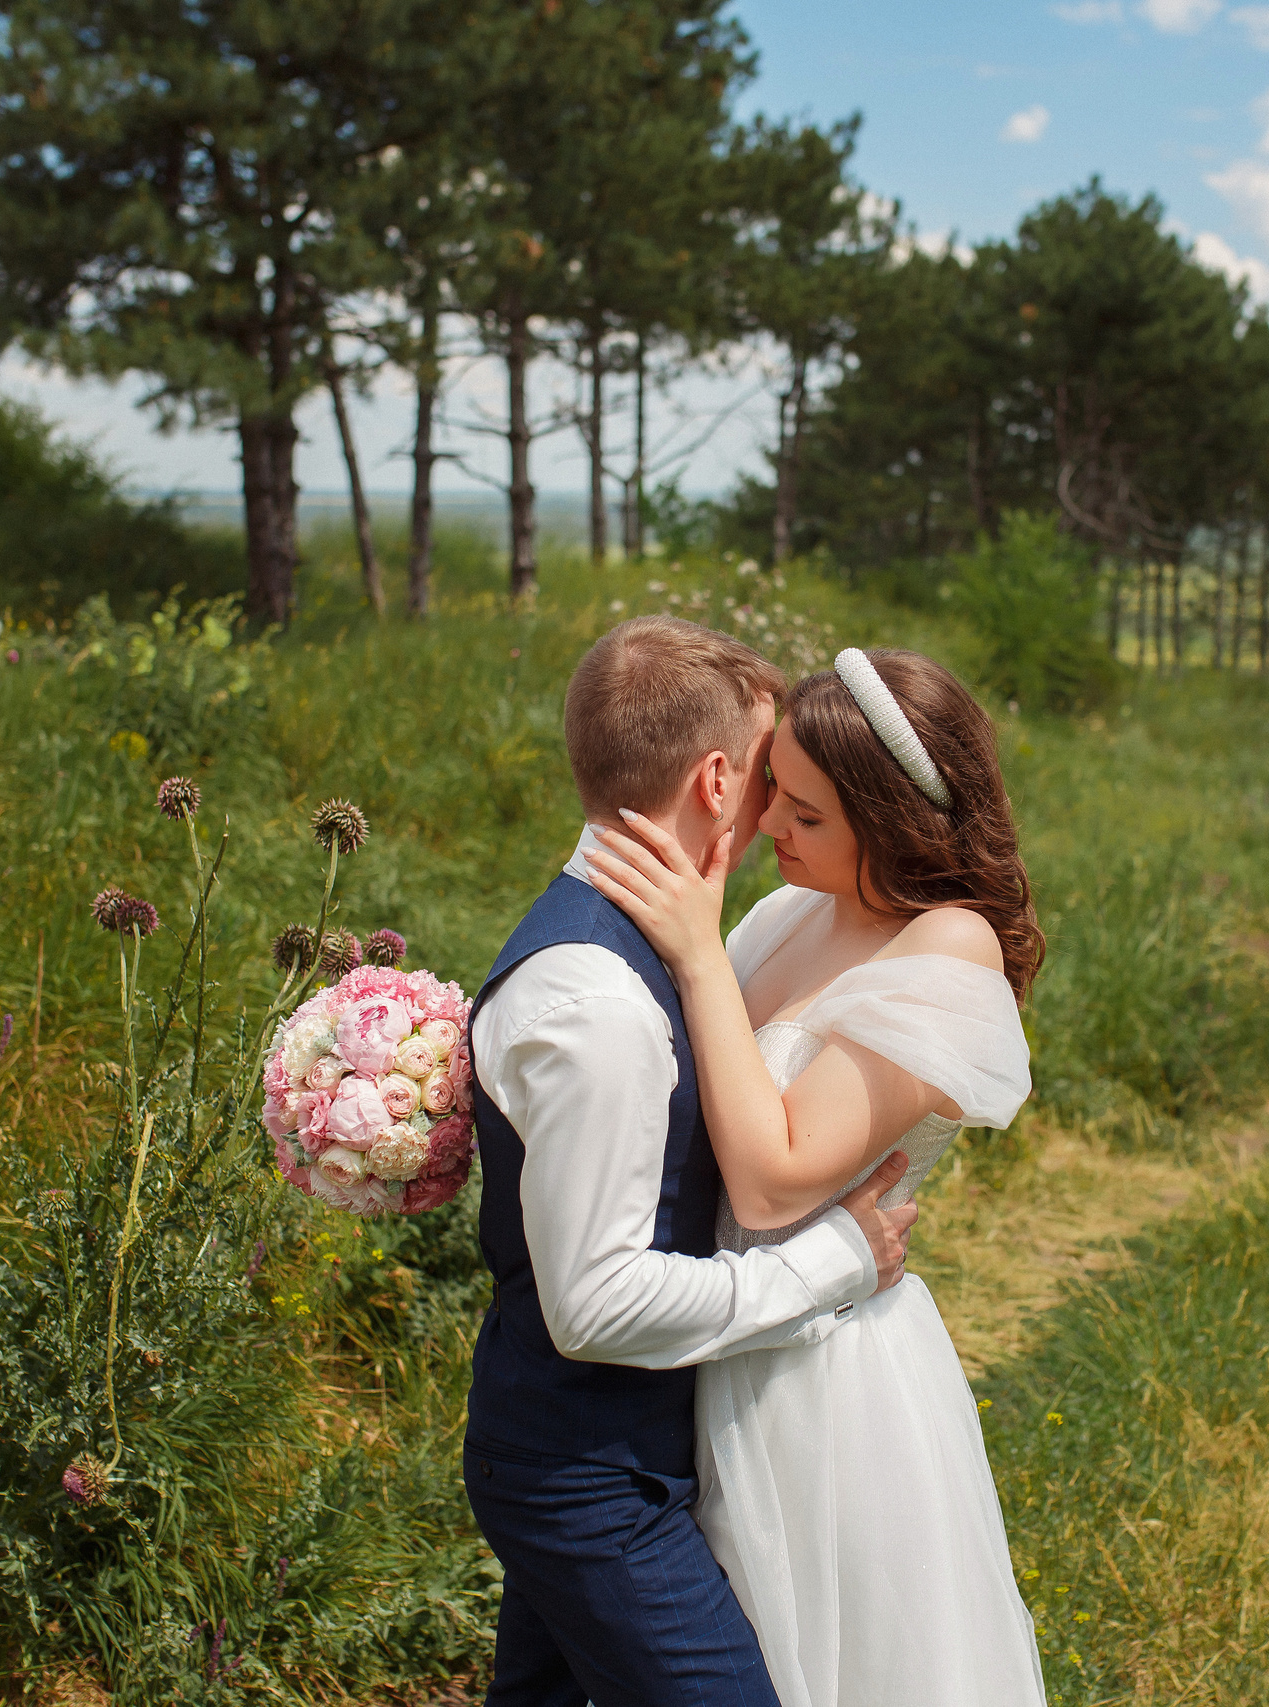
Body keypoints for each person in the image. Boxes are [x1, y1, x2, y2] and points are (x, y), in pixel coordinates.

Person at [464, 616, 923, 1707]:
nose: (776, 812)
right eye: (769, 777)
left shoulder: (659, 942)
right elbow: (595, 1304)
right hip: (586, 1481)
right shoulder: (599, 1006)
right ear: (718, 780)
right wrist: (835, 1264)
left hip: (622, 1457)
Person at [581, 645, 1047, 1707]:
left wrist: (697, 954)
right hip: (710, 1331)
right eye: (771, 796)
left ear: (894, 823)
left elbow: (776, 1182)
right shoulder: (791, 912)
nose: (768, 832)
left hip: (823, 1380)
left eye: (806, 815)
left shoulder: (947, 945)